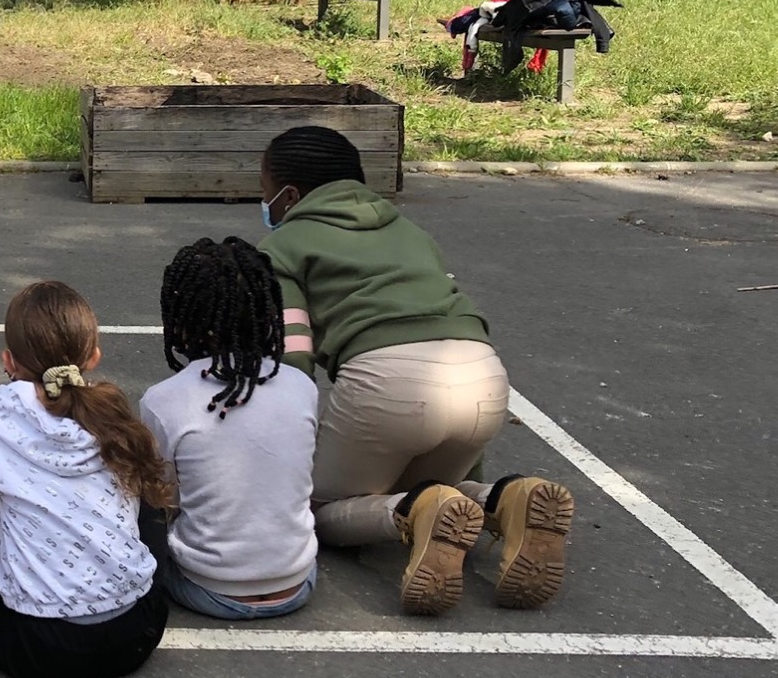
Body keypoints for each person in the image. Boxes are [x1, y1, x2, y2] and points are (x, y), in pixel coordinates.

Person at [258, 125, 574, 615]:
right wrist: (469, 459)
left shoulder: (281, 248)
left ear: (290, 195)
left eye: (265, 191)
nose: (265, 203)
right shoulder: (411, 232)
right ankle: (505, 497)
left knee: (314, 511)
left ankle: (410, 513)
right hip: (483, 376)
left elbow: (293, 356)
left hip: (386, 384)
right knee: (437, 486)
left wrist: (285, 453)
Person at [0, 280, 172, 678]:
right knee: (148, 499)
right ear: (93, 356)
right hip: (137, 632)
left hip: (40, 648)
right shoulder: (112, 413)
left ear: (9, 361)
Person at [140, 237, 319, 620]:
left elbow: (164, 496)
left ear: (181, 319)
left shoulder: (162, 400)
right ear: (267, 315)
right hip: (297, 582)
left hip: (207, 587)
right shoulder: (301, 386)